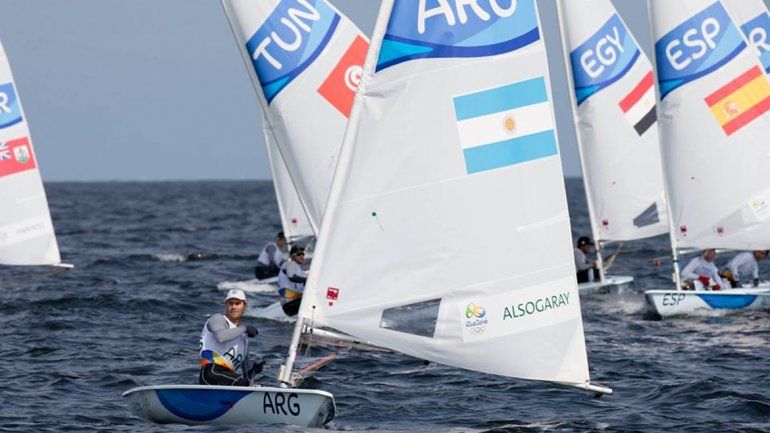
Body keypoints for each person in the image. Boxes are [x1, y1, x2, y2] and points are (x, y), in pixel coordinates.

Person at [199, 289, 263, 386]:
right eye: (230, 303)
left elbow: (247, 372)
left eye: (237, 303)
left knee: (248, 383)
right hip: (211, 372)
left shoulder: (243, 339)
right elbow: (221, 337)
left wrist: (254, 370)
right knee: (242, 383)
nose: (233, 307)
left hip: (228, 376)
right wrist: (244, 328)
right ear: (226, 305)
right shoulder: (218, 319)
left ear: (244, 306)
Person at [277, 246, 307, 316]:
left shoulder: (299, 270)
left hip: (292, 304)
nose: (302, 256)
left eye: (303, 254)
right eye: (299, 254)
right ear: (292, 257)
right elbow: (292, 277)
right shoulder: (290, 264)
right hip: (290, 305)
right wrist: (307, 280)